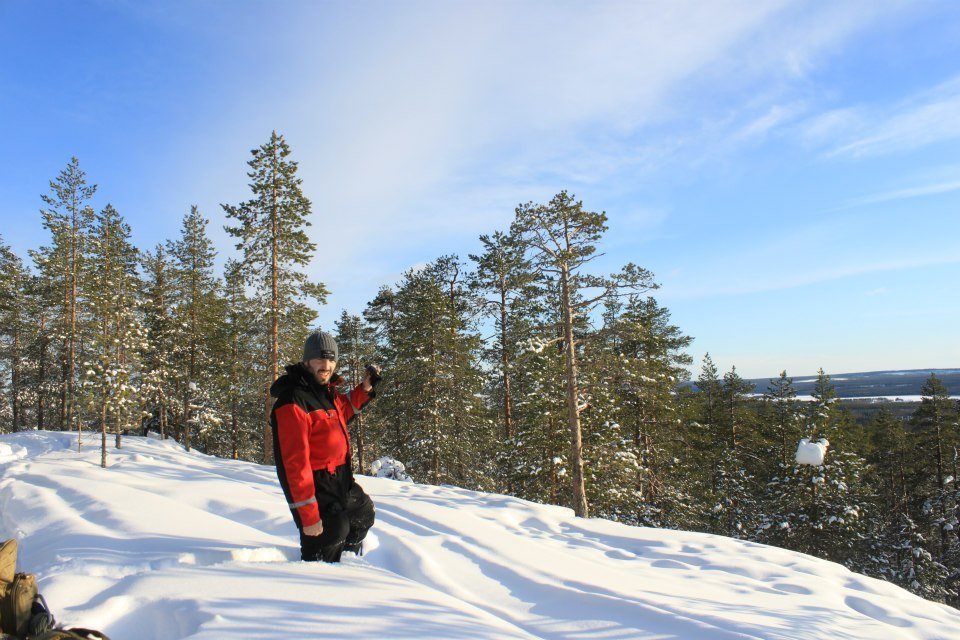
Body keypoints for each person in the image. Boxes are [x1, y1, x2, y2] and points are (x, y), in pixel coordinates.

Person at [270, 330, 381, 563]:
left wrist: (366, 388)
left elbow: (345, 410)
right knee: (333, 533)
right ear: (306, 361)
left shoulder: (326, 393)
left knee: (363, 513)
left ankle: (349, 562)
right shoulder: (293, 401)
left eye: (331, 359)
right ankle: (319, 577)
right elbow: (294, 466)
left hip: (340, 480)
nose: (326, 365)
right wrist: (308, 517)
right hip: (316, 486)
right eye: (320, 359)